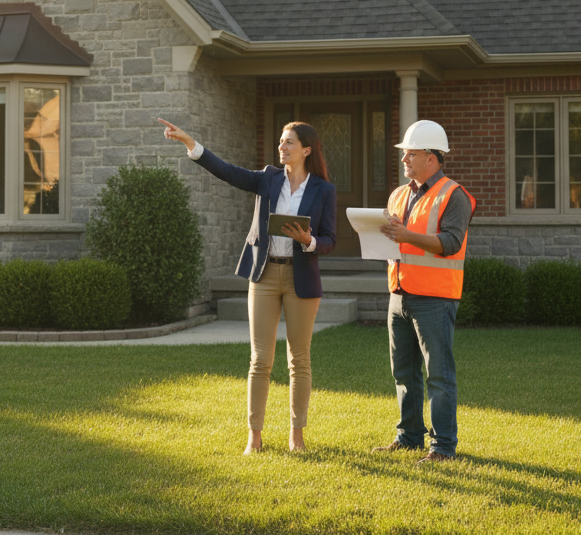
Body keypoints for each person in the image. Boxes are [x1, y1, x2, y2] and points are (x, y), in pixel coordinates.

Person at [158, 118, 337, 454]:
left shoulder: (324, 190)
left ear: (306, 150)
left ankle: (296, 437)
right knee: (260, 360)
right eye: (281, 141)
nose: (282, 147)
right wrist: (189, 144)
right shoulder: (268, 178)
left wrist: (309, 240)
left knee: (299, 360)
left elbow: (330, 239)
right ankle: (254, 437)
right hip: (265, 275)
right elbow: (227, 171)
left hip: (301, 278)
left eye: (289, 143)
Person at [373, 120, 476, 463]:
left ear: (431, 158)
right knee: (403, 372)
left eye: (411, 153)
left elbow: (450, 242)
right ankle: (409, 436)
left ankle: (443, 448)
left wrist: (406, 237)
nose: (404, 159)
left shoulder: (454, 195)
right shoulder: (399, 194)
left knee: (439, 375)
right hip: (399, 295)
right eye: (404, 153)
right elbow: (392, 241)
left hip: (435, 298)